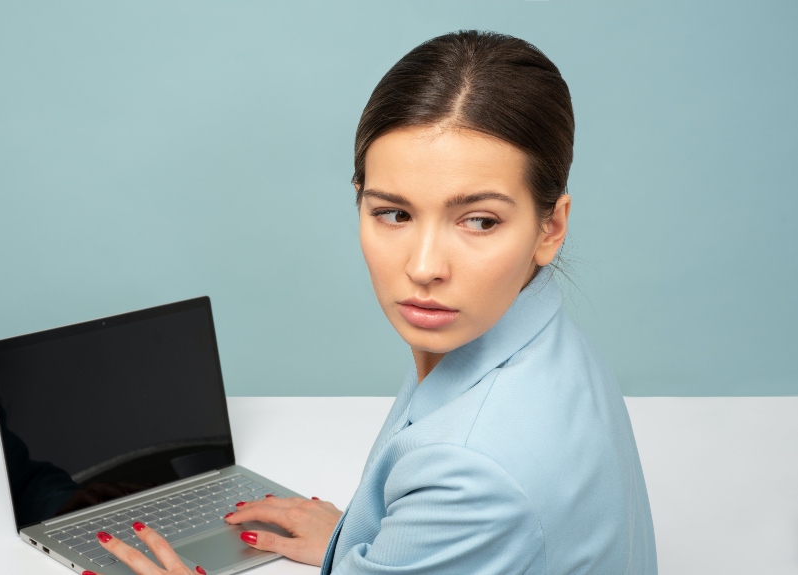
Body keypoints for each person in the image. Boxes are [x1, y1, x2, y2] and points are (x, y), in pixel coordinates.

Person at [87, 29, 657, 575]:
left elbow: (477, 478)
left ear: (550, 227)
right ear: (360, 202)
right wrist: (360, 541)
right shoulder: (539, 333)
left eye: (479, 221)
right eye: (394, 213)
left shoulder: (471, 473)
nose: (424, 267)